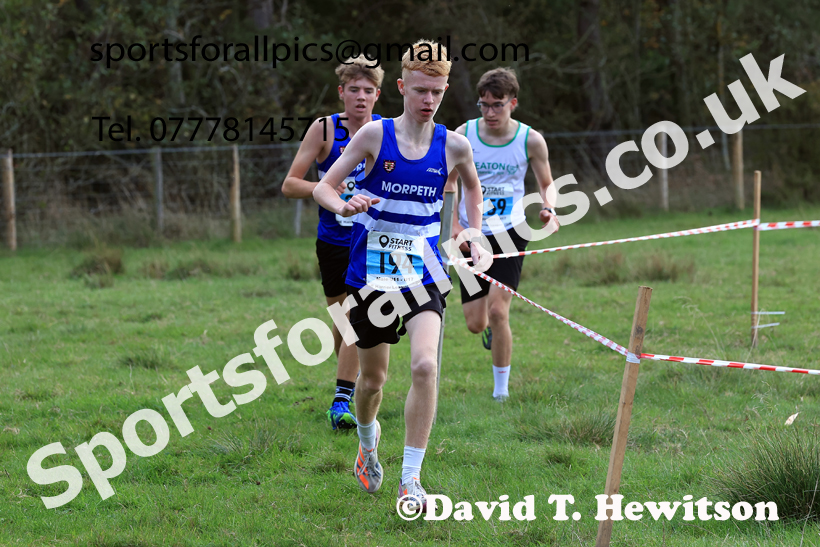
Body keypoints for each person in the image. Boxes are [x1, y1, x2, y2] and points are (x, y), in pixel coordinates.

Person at [312, 39, 490, 513]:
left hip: (424, 275)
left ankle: (411, 479)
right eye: (419, 90)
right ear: (401, 87)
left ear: (446, 88)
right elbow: (324, 189)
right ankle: (368, 446)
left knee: (426, 366)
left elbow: (473, 189)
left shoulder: (455, 144)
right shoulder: (373, 136)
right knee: (372, 383)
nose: (428, 100)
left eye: (436, 91)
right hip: (367, 278)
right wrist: (344, 203)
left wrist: (472, 229)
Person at [281, 55, 383, 430]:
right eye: (353, 89)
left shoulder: (385, 132)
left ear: (377, 95)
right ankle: (347, 381)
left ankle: (341, 401)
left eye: (368, 91)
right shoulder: (324, 130)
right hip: (333, 239)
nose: (360, 97)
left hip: (371, 240)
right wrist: (324, 187)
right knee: (341, 321)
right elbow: (290, 184)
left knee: (357, 316)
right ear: (341, 92)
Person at [450, 67, 559, 403]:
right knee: (475, 322)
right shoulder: (463, 135)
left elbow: (546, 183)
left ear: (513, 103)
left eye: (497, 105)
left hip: (511, 232)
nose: (490, 112)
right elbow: (449, 186)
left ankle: (501, 393)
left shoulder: (530, 139)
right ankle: (488, 334)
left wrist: (549, 208)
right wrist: (454, 227)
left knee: (499, 312)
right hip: (470, 234)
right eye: (484, 104)